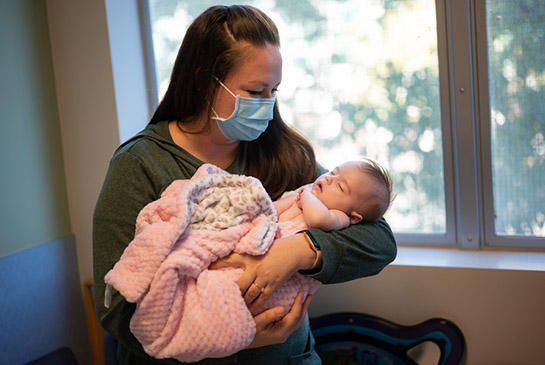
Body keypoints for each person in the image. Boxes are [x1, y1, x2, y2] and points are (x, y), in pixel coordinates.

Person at [93, 5, 397, 364]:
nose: (267, 105)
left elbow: (380, 240)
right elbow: (116, 311)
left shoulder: (284, 153)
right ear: (203, 80)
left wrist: (295, 252)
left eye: (274, 90)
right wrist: (237, 336)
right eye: (254, 92)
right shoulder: (141, 164)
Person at [275, 159, 394, 231]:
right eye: (333, 172)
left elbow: (317, 219)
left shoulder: (340, 216)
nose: (329, 178)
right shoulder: (309, 190)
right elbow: (276, 207)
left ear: (354, 217)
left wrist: (306, 196)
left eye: (340, 186)